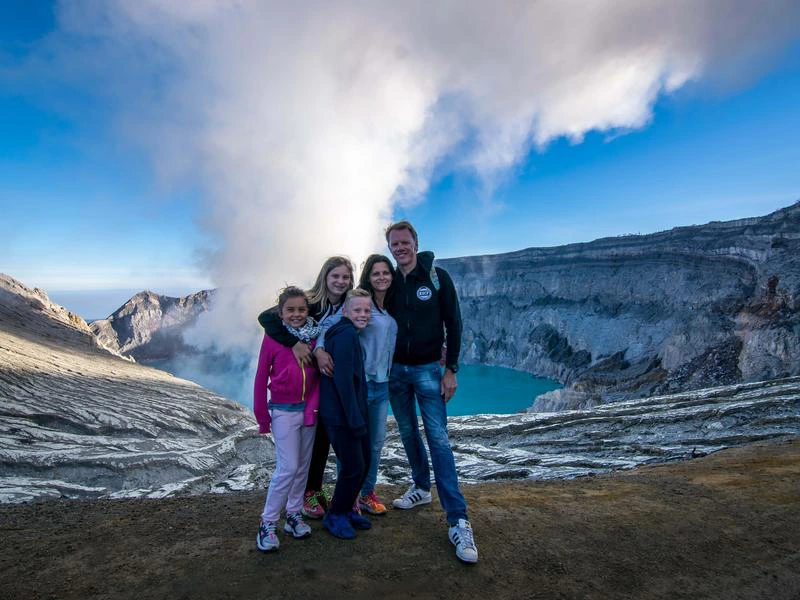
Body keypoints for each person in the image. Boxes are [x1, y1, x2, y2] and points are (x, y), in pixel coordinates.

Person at [384, 220, 479, 564]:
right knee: (408, 432)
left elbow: (454, 323)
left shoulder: (438, 278)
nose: (400, 248)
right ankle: (421, 488)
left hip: (427, 370)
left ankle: (458, 520)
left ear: (415, 242)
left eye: (405, 242)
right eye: (394, 244)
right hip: (395, 372)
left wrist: (451, 369)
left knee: (438, 439)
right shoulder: (387, 282)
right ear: (389, 248)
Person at [257, 257, 354, 519]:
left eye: (345, 277)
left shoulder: (350, 304)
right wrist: (294, 343)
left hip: (331, 381)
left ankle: (320, 492)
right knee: (315, 439)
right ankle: (309, 492)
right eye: (335, 276)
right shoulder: (310, 303)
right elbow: (267, 317)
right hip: (307, 385)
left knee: (329, 434)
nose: (340, 282)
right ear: (325, 277)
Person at [253, 286, 321, 552]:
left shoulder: (314, 338)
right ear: (280, 313)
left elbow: (317, 381)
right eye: (290, 310)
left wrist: (312, 408)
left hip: (309, 412)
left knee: (303, 466)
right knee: (288, 468)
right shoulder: (273, 338)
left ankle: (293, 515)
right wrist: (263, 418)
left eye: (301, 309)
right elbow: (261, 377)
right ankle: (268, 521)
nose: (296, 314)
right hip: (282, 410)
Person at [319, 289, 373, 539]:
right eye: (357, 310)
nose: (363, 315)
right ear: (345, 312)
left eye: (366, 310)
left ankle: (346, 510)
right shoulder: (345, 335)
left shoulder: (348, 332)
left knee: (363, 464)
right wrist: (354, 419)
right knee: (353, 467)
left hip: (350, 413)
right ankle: (335, 515)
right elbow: (342, 379)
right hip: (341, 416)